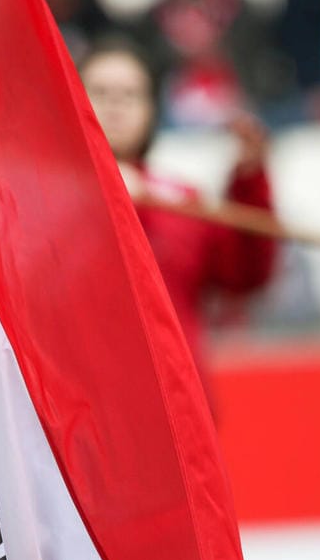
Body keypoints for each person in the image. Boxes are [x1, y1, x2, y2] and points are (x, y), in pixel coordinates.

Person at [79, 40, 278, 378]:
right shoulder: (38, 202)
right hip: (80, 402)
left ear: (151, 108)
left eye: (130, 95)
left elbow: (244, 277)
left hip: (176, 396)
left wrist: (248, 184)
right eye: (100, 92)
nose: (115, 106)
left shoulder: (181, 200)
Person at [142, 0, 274, 130]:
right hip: (180, 87)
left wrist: (218, 49)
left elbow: (247, 46)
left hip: (223, 83)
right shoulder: (164, 7)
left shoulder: (229, 4)